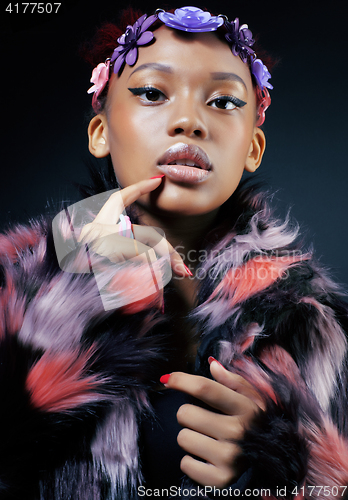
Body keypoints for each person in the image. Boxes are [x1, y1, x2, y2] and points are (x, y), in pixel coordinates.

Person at [0, 5, 348, 499]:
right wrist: (78, 286)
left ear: (253, 145)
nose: (189, 121)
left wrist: (282, 457)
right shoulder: (11, 283)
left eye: (223, 101)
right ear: (101, 132)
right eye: (152, 93)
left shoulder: (312, 323)